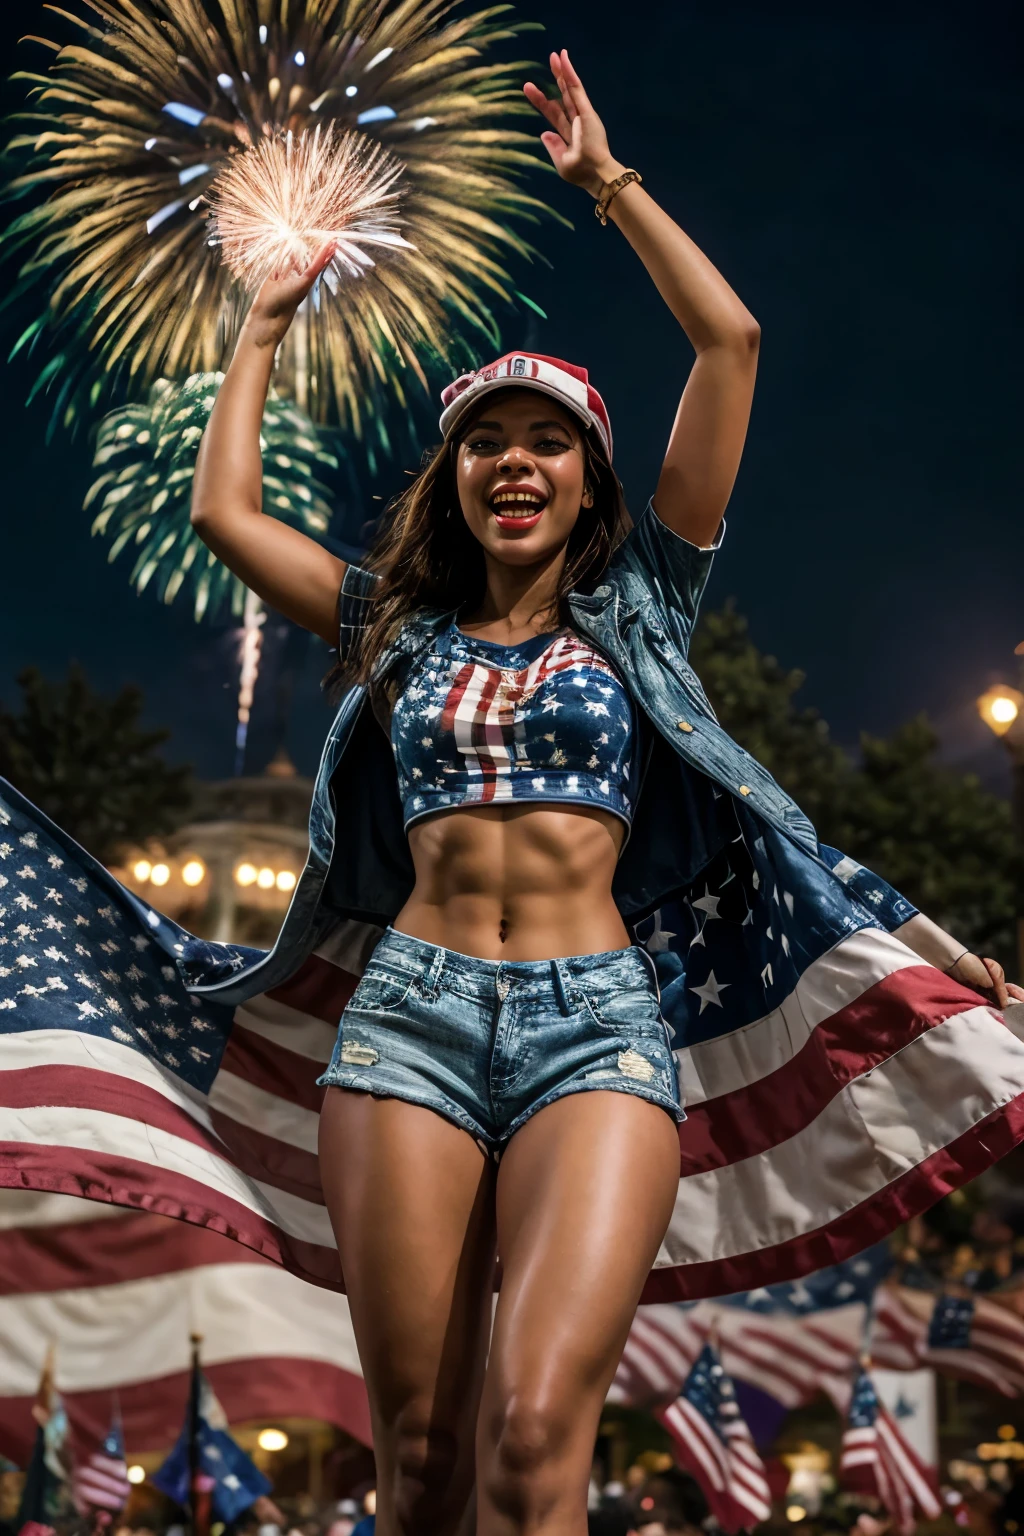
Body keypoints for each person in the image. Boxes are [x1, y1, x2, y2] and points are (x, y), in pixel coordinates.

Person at [2, 43, 1023, 1536]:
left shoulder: (643, 615)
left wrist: (607, 185)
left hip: (598, 1029)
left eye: (548, 439)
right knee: (420, 1452)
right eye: (486, 440)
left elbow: (729, 343)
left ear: (592, 481)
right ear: (458, 479)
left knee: (541, 1434)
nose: (515, 461)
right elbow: (225, 511)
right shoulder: (390, 633)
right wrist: (263, 322)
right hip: (404, 1020)